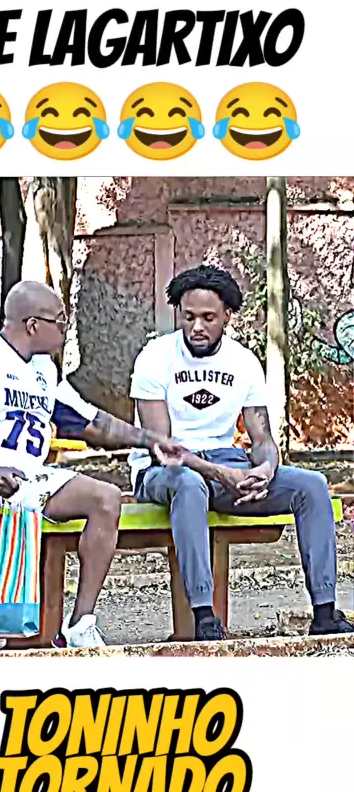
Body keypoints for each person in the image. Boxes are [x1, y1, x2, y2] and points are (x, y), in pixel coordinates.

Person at [0, 281, 179, 653]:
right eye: (59, 321)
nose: (65, 328)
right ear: (32, 325)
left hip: (25, 476)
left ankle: (81, 624)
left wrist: (150, 439)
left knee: (106, 498)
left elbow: (92, 423)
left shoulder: (44, 370)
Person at [129, 265, 354, 642]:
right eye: (188, 316)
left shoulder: (243, 361)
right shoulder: (155, 357)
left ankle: (325, 613)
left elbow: (262, 436)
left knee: (312, 485)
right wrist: (220, 474)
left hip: (225, 464)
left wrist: (266, 468)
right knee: (188, 485)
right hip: (164, 473)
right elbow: (162, 448)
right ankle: (204, 617)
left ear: (227, 316)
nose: (196, 327)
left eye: (208, 318)